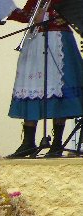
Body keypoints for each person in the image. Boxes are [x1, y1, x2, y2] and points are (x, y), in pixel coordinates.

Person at [8, 0, 83, 158]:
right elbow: (27, 15)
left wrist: (53, 15)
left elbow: (74, 13)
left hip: (58, 40)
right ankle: (28, 142)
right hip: (35, 40)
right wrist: (8, 10)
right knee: (31, 87)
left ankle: (57, 143)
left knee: (60, 89)